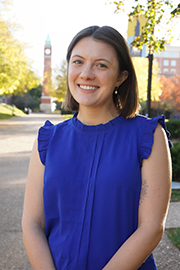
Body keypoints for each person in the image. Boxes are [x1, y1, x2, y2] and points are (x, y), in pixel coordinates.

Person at [22, 25, 172, 270]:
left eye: (101, 65)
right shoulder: (48, 139)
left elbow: (151, 228)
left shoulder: (147, 135)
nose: (86, 74)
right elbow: (31, 224)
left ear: (121, 77)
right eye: (78, 61)